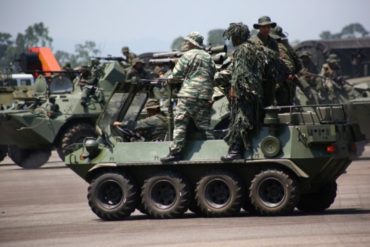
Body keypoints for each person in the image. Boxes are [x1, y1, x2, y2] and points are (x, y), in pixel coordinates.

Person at [161, 32, 216, 162]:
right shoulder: (208, 57)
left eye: (187, 42)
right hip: (204, 95)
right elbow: (213, 74)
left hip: (188, 95)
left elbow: (175, 75)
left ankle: (175, 153)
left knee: (180, 123)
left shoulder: (188, 55)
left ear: (192, 43)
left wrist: (167, 80)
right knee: (204, 126)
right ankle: (215, 149)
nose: (185, 43)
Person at [221, 23, 268, 161]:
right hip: (255, 90)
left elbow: (240, 73)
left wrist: (234, 89)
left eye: (233, 37)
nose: (232, 40)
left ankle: (236, 152)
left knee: (240, 121)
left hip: (244, 92)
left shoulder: (241, 49)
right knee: (247, 120)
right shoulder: (255, 48)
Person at [270, 26, 302, 106]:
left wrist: (287, 75)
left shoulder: (279, 47)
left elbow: (288, 65)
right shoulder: (286, 46)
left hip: (283, 83)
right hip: (288, 83)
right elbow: (298, 65)